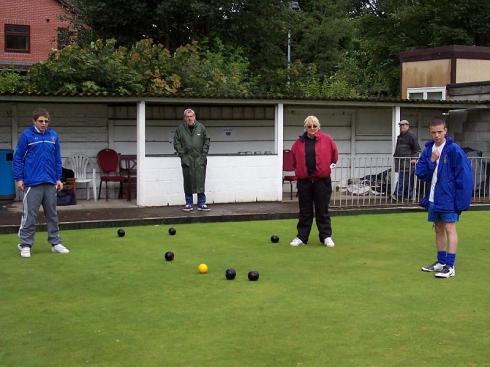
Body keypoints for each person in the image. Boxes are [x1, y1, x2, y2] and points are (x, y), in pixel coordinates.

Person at [415, 118, 473, 278]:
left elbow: (464, 176)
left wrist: (461, 201)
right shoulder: (428, 150)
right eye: (433, 132)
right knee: (438, 228)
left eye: (440, 131)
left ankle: (450, 266)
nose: (436, 135)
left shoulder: (454, 150)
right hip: (433, 198)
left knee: (449, 228)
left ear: (445, 131)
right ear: (430, 132)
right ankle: (441, 262)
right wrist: (432, 161)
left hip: (449, 198)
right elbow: (420, 173)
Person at [13, 108, 70, 258]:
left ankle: (55, 243)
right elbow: (18, 158)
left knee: (52, 214)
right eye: (41, 121)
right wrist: (19, 178)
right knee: (30, 216)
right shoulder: (27, 136)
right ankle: (25, 245)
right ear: (34, 121)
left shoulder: (53, 136)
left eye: (46, 121)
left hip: (50, 182)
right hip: (32, 183)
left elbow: (57, 159)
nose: (44, 123)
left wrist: (58, 178)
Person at [289, 116, 338, 247]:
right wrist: (300, 171)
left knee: (322, 210)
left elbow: (334, 156)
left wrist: (328, 168)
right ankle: (301, 237)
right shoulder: (298, 143)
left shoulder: (327, 140)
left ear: (318, 127)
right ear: (305, 127)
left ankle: (326, 236)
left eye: (314, 126)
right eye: (309, 126)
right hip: (304, 182)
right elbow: (293, 160)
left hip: (322, 181)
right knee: (305, 211)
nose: (312, 129)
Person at [173, 108, 211, 211]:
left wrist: (203, 155)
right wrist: (183, 156)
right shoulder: (180, 129)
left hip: (199, 159)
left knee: (200, 181)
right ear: (185, 118)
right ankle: (189, 203)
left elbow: (207, 141)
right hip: (187, 159)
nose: (189, 118)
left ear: (194, 117)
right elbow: (176, 143)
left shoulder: (201, 127)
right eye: (187, 117)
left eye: (191, 116)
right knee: (188, 181)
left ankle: (201, 203)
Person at [393, 120, 420, 200]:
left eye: (404, 125)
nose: (402, 127)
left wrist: (414, 158)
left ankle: (398, 194)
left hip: (408, 162)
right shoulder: (400, 136)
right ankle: (408, 196)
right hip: (401, 162)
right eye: (400, 125)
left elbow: (417, 149)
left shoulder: (411, 136)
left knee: (404, 179)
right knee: (405, 179)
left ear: (408, 126)